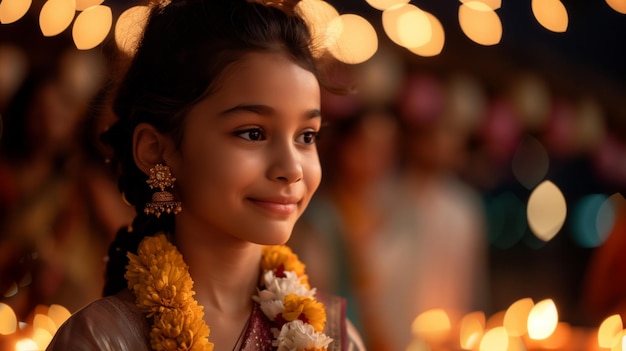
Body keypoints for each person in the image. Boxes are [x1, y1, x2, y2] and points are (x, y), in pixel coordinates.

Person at [46, 0, 365, 350]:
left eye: (307, 136)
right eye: (253, 133)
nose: (291, 170)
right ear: (155, 149)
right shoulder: (102, 339)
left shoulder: (334, 336)